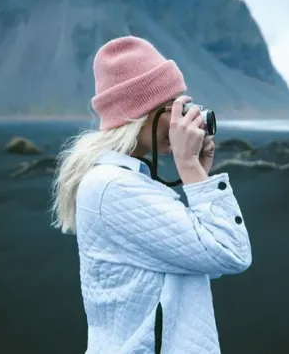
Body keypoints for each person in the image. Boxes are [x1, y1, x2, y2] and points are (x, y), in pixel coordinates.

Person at [51, 36, 252, 354]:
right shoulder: (113, 188)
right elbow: (231, 252)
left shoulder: (129, 181)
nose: (181, 120)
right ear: (140, 114)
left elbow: (206, 263)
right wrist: (189, 169)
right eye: (172, 109)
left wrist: (197, 174)